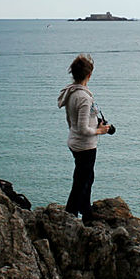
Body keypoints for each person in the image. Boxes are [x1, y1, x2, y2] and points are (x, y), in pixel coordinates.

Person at [57, 53, 110, 222]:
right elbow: (82, 129)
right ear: (89, 75)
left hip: (74, 141)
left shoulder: (71, 92)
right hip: (85, 145)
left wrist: (95, 123)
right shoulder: (84, 98)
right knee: (82, 181)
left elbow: (72, 120)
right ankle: (72, 213)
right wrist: (100, 131)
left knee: (85, 178)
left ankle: (85, 211)